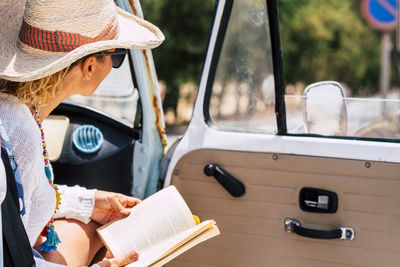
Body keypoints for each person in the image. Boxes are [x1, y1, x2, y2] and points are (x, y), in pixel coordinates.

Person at [0, 0, 164, 266]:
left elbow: (19, 205)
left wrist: (89, 202)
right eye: (118, 54)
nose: (115, 63)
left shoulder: (17, 113)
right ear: (89, 66)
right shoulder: (19, 134)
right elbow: (10, 255)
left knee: (93, 228)